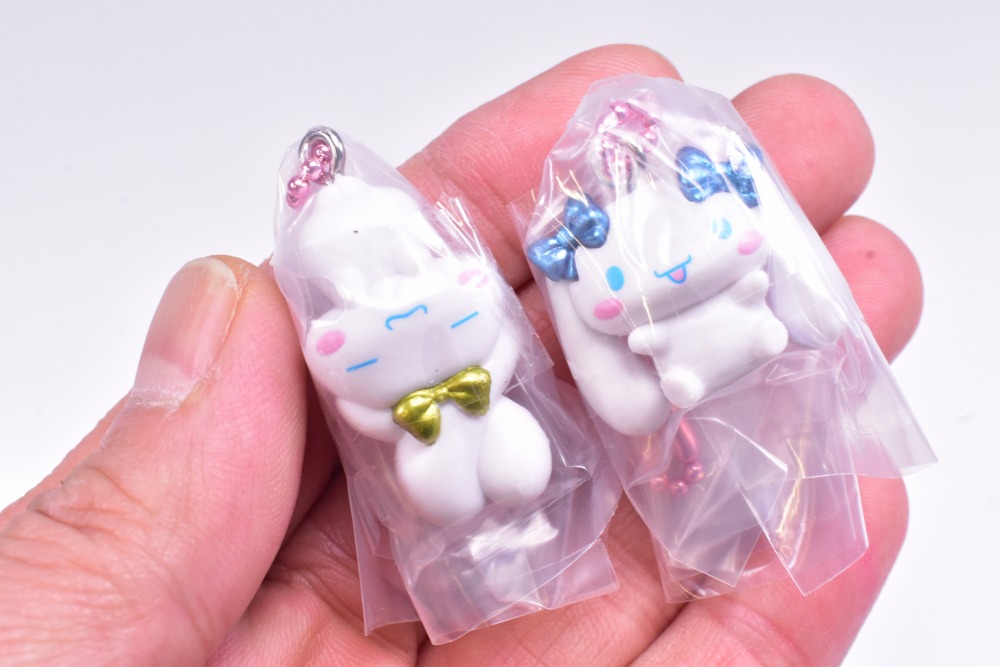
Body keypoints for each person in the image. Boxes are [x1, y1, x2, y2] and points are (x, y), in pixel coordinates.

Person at [0, 45, 921, 664]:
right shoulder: (379, 342)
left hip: (678, 358)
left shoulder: (486, 297)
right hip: (452, 427)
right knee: (475, 469)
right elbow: (398, 388)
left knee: (534, 453)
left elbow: (541, 352)